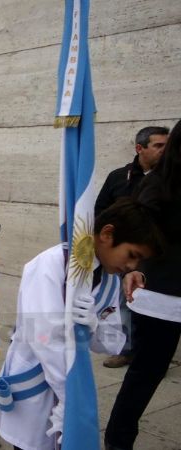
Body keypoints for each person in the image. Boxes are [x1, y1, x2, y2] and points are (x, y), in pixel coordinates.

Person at [0, 199, 163, 450]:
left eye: (139, 261)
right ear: (107, 233)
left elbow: (114, 343)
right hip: (36, 382)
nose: (132, 266)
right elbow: (44, 338)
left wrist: (94, 325)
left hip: (71, 384)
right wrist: (72, 398)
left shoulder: (111, 280)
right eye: (132, 255)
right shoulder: (51, 264)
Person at [105, 120, 181, 450]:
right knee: (146, 373)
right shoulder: (159, 185)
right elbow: (132, 230)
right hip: (161, 294)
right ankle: (119, 440)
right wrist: (131, 270)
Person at [94, 126, 169, 369]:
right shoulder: (119, 177)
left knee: (153, 306)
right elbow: (100, 210)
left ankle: (153, 354)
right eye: (158, 145)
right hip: (124, 254)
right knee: (125, 303)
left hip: (156, 257)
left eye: (167, 145)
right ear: (140, 148)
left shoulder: (169, 181)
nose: (164, 151)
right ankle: (125, 350)